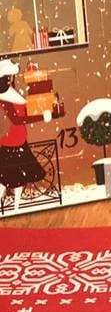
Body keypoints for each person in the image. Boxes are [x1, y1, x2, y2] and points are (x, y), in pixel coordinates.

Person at [0, 59, 46, 212]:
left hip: (16, 142)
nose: (11, 80)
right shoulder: (5, 99)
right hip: (11, 144)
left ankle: (17, 208)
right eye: (9, 77)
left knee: (14, 179)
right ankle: (14, 208)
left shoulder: (10, 95)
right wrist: (41, 116)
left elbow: (23, 114)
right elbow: (17, 119)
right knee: (8, 179)